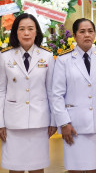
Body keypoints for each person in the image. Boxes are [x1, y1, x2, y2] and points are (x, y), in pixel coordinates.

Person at [52, 18, 96, 172]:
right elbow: (57, 94)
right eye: (82, 31)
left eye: (90, 31)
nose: (87, 35)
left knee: (95, 168)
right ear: (74, 35)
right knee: (75, 168)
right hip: (73, 126)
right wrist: (64, 123)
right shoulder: (64, 60)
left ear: (94, 34)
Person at [0, 13, 56, 172]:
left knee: (37, 167)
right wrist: (0, 122)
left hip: (39, 122)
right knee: (14, 167)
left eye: (30, 29)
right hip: (13, 123)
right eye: (22, 29)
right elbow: (1, 90)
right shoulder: (4, 56)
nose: (26, 33)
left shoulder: (47, 56)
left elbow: (51, 90)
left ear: (36, 32)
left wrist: (53, 121)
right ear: (15, 32)